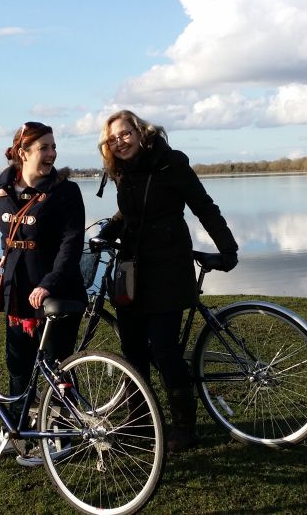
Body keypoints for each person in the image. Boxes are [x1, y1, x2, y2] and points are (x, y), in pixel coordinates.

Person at [96, 109, 238, 452]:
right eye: (113, 139)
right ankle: (139, 425)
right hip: (132, 271)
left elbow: (204, 206)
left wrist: (228, 250)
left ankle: (185, 429)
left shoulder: (170, 162)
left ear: (141, 131)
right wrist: (106, 232)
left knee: (164, 350)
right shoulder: (123, 173)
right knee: (132, 350)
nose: (120, 142)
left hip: (168, 268)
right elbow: (129, 213)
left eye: (125, 134)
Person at [0, 121, 87, 467]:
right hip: (16, 291)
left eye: (54, 147)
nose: (52, 153)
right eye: (45, 148)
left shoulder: (66, 192)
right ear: (23, 153)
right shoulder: (1, 187)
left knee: (57, 364)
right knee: (18, 364)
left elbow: (72, 245)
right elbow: (8, 236)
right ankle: (16, 431)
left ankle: (63, 436)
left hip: (57, 291)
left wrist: (49, 282)